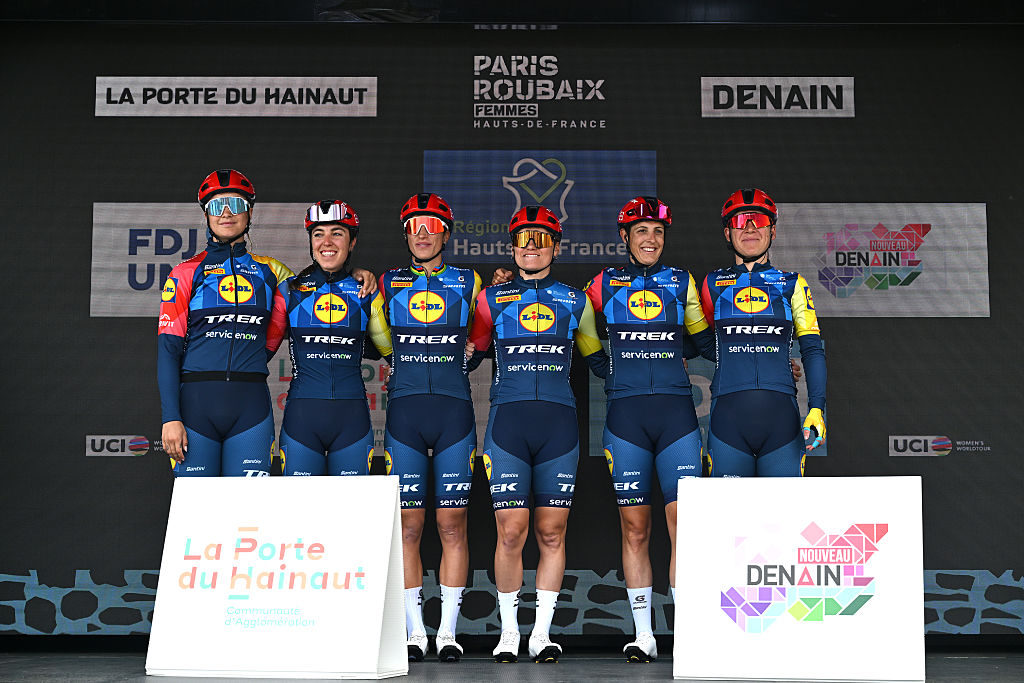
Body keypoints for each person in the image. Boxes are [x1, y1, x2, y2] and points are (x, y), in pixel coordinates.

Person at [468, 205, 608, 664]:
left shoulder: (577, 300)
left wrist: (666, 364)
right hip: (508, 425)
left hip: (559, 428)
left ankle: (541, 634)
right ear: (512, 247)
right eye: (523, 239)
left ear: (556, 246)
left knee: (551, 532)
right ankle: (509, 633)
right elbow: (469, 355)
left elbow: (598, 360)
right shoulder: (491, 300)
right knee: (511, 532)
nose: (532, 246)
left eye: (541, 239)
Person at [583, 196, 716, 662]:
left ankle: (688, 635)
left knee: (683, 527)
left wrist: (772, 357)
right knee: (635, 529)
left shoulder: (682, 283)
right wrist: (606, 367)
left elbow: (705, 341)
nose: (650, 239)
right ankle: (644, 635)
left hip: (677, 417)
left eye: (657, 232)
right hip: (626, 419)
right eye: (641, 231)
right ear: (625, 237)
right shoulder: (600, 284)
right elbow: (579, 331)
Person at [378, 193, 483, 663]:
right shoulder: (384, 282)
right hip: (405, 417)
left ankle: (448, 634)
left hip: (453, 416)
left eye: (432, 225)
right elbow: (377, 338)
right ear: (406, 233)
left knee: (452, 524)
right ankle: (415, 632)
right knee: (408, 527)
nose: (423, 233)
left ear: (445, 232)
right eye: (415, 226)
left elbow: (483, 337)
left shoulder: (470, 280)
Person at [158, 169, 293, 476]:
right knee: (197, 517)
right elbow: (168, 350)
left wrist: (357, 276)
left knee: (247, 519)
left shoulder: (272, 272)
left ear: (249, 212)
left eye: (236, 203)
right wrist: (170, 417)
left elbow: (322, 284)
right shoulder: (185, 273)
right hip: (195, 408)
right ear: (207, 214)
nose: (227, 213)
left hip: (251, 409)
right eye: (218, 206)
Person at [699, 188, 827, 477]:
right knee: (728, 522)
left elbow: (812, 349)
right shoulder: (711, 285)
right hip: (727, 423)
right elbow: (700, 344)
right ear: (727, 233)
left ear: (773, 231)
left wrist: (817, 408)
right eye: (741, 221)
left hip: (781, 423)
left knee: (786, 521)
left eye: (758, 220)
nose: (750, 228)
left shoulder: (793, 284)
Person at [277, 200, 392, 476]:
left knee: (351, 519)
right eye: (318, 234)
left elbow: (390, 352)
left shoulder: (367, 291)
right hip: (301, 422)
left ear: (352, 241)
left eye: (337, 233)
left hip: (351, 422)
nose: (326, 242)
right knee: (299, 518)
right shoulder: (288, 291)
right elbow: (257, 349)